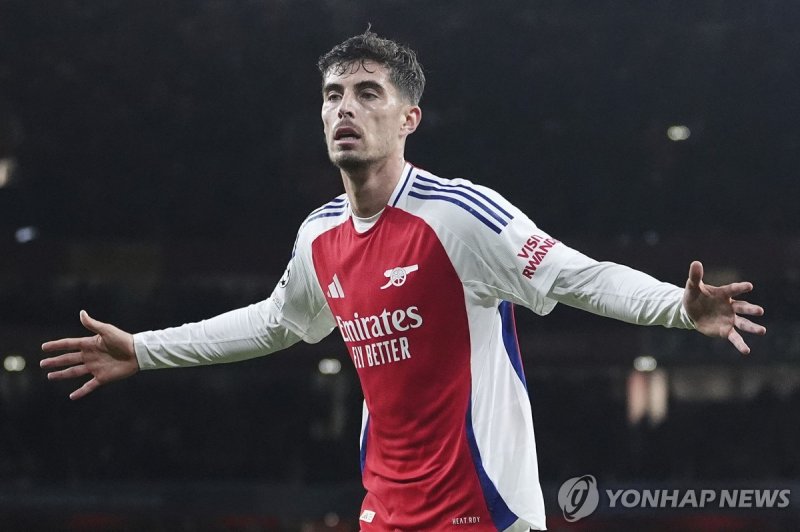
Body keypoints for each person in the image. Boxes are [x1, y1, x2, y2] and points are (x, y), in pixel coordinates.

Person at [41, 31, 766, 531]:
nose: (345, 108)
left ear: (409, 117)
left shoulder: (460, 217)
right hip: (384, 508)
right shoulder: (319, 234)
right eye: (332, 95)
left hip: (486, 509)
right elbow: (274, 322)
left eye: (366, 92)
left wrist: (677, 307)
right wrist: (143, 348)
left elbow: (581, 276)